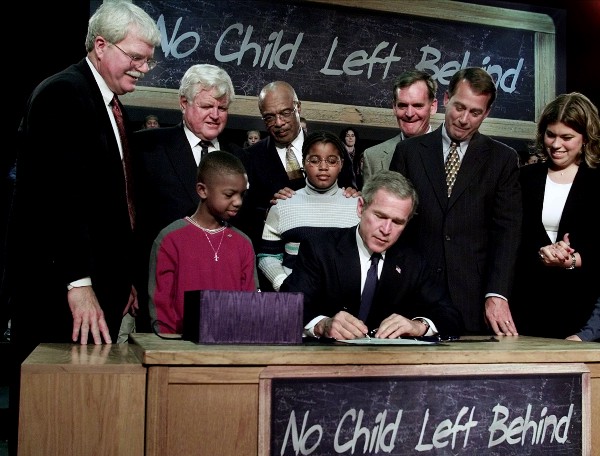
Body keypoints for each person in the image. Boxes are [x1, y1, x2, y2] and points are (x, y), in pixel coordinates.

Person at [4, 1, 160, 453]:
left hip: (98, 287)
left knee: (84, 414)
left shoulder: (111, 104)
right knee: (48, 416)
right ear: (100, 45)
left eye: (148, 58)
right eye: (136, 57)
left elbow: (111, 203)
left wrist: (122, 276)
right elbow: (58, 199)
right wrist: (79, 282)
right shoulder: (63, 94)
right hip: (60, 292)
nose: (144, 68)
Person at [389, 67, 522, 336]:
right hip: (414, 295)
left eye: (475, 112)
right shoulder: (409, 152)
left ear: (487, 113)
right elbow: (393, 223)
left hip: (473, 300)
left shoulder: (502, 160)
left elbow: (507, 233)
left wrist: (497, 294)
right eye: (459, 107)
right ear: (447, 98)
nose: (463, 119)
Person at [280, 170, 463, 340]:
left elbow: (450, 315)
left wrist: (418, 326)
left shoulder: (413, 260)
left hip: (390, 366)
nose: (386, 230)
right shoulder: (320, 248)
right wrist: (322, 325)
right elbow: (288, 307)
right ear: (360, 208)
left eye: (398, 222)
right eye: (380, 216)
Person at [131, 63, 235, 332]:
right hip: (160, 296)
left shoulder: (241, 157)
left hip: (225, 301)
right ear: (183, 103)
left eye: (222, 108)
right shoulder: (145, 147)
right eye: (206, 106)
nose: (215, 115)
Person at [511, 92, 600, 340]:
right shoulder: (524, 178)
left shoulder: (597, 182)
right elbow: (511, 239)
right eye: (551, 135)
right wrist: (540, 252)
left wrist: (573, 260)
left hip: (580, 316)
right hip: (525, 311)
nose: (556, 144)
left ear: (585, 138)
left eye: (567, 137)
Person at [233, 81, 356, 255]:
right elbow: (243, 212)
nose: (279, 123)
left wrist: (351, 194)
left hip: (330, 254)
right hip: (276, 256)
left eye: (285, 113)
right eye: (269, 117)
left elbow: (349, 190)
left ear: (298, 108)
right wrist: (270, 211)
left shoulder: (332, 149)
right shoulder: (249, 158)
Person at [148, 151, 257, 334]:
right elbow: (161, 305)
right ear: (202, 190)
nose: (238, 201)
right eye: (229, 194)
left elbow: (250, 301)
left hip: (233, 347)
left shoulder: (243, 243)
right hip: (181, 349)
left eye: (242, 194)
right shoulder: (170, 238)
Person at [257, 131, 360, 291]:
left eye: (332, 161)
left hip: (344, 301)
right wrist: (285, 285)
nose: (323, 167)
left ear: (341, 164)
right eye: (314, 160)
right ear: (303, 163)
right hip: (295, 297)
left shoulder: (357, 206)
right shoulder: (283, 204)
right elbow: (267, 255)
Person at [362, 70, 438, 182]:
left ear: (433, 107)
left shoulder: (450, 153)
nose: (409, 114)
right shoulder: (373, 157)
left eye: (418, 105)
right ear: (394, 107)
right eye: (402, 106)